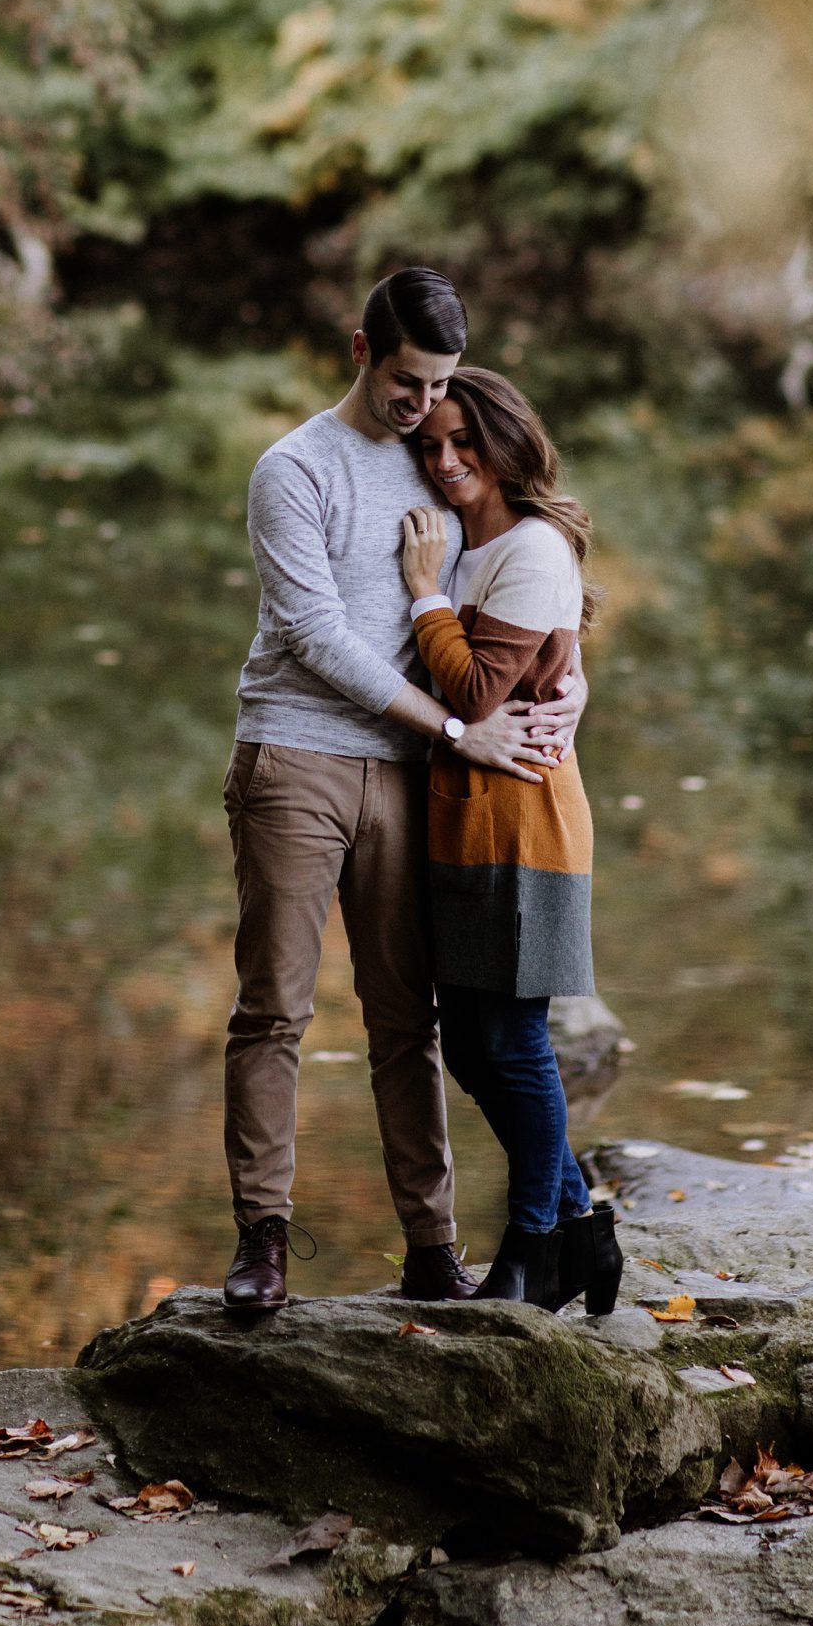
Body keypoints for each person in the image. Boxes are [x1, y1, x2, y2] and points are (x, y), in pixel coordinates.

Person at [221, 269, 587, 1312]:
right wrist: (458, 730)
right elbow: (314, 633)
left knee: (406, 1020)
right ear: (358, 350)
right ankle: (262, 1239)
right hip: (296, 753)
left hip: (413, 777)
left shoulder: (444, 460)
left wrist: (569, 683)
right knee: (272, 1007)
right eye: (404, 382)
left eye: (435, 385)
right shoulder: (294, 468)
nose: (422, 408)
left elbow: (523, 579)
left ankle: (431, 1246)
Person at [397, 366, 623, 1311]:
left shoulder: (528, 549)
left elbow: (480, 693)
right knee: (473, 1050)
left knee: (515, 1040)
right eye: (431, 445)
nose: (447, 462)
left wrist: (421, 594)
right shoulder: (464, 543)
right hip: (462, 822)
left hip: (526, 823)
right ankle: (583, 1229)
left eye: (465, 443)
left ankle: (532, 1250)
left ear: (506, 444)